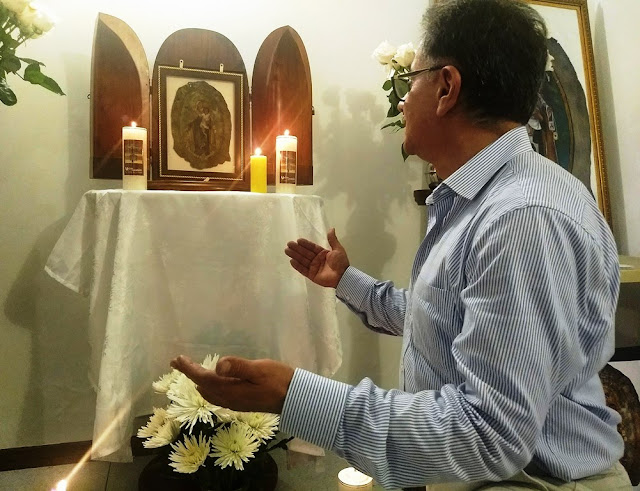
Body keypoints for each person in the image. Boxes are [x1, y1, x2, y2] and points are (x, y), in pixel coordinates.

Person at [171, 0, 631, 488]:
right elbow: (449, 317)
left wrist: (292, 395)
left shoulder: (522, 220)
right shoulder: (482, 198)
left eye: (409, 82)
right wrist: (348, 283)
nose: (404, 100)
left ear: (446, 88)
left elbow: (486, 434)